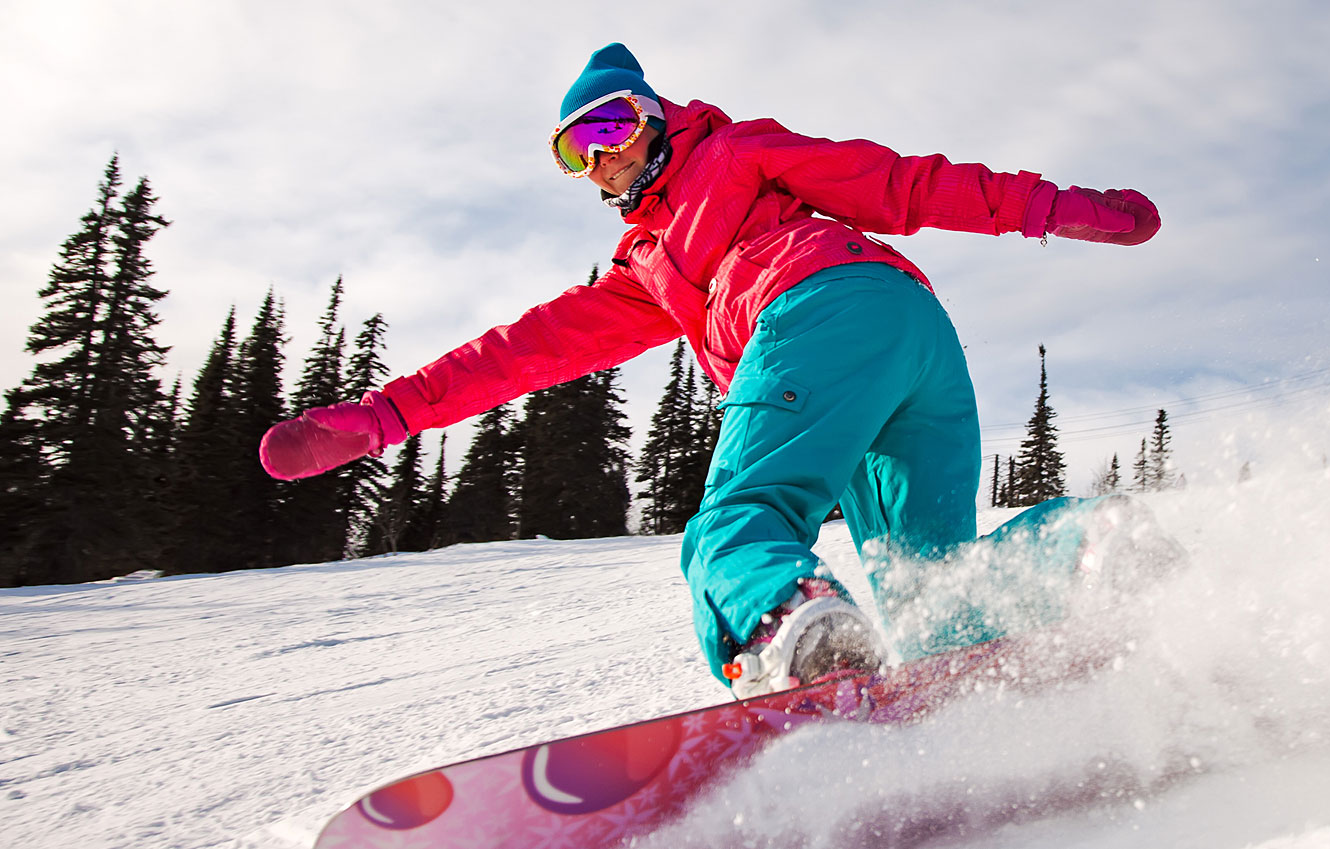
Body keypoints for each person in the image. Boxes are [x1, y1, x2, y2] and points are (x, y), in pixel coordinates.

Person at [260, 43, 1160, 698]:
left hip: (821, 307)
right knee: (932, 594)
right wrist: (386, 415)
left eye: (611, 125)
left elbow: (902, 183)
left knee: (735, 526)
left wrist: (1053, 207)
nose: (602, 155)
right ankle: (1086, 549)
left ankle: (788, 626)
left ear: (655, 117)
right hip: (914, 341)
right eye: (577, 150)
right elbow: (517, 353)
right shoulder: (644, 271)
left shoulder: (734, 153)